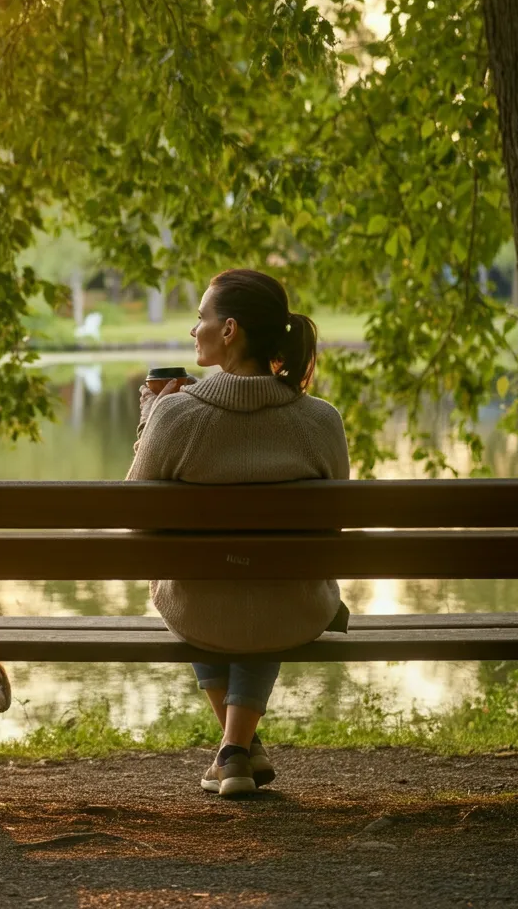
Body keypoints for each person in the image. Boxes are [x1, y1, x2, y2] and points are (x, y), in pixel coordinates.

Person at [126, 268, 350, 796]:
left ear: (229, 331)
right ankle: (237, 750)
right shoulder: (321, 420)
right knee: (263, 580)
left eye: (200, 317)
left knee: (200, 577)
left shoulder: (176, 416)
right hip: (291, 607)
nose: (192, 330)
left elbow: (137, 513)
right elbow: (333, 526)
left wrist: (150, 417)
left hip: (199, 603)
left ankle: (235, 751)